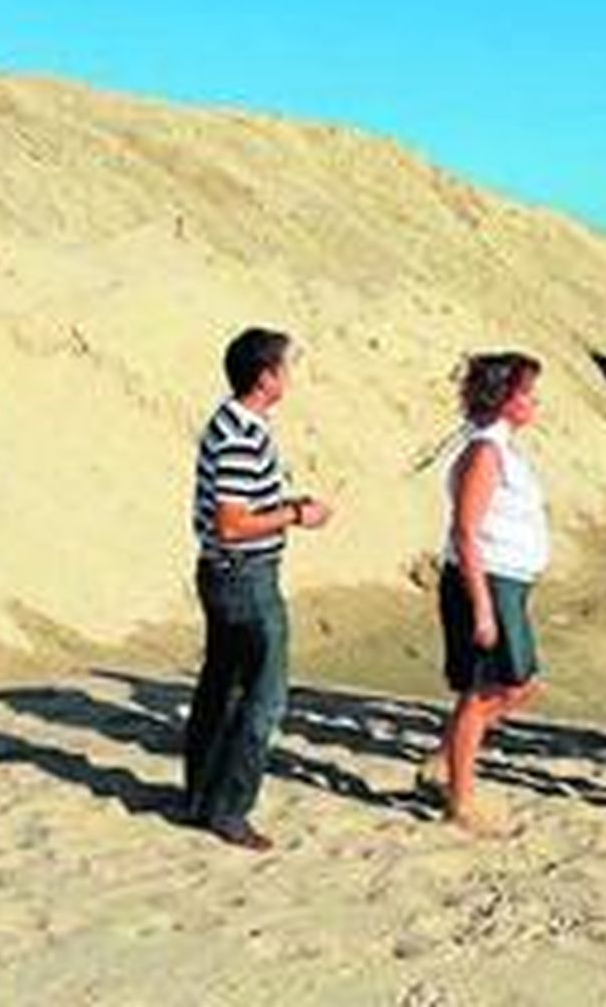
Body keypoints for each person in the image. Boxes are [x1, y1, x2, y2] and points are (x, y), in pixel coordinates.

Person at [184, 327, 332, 850]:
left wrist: (285, 504)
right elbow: (231, 522)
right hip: (243, 576)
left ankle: (201, 798)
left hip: (229, 573)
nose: (291, 375)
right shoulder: (240, 435)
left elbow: (240, 506)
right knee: (264, 697)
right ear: (266, 377)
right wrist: (295, 514)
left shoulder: (236, 423)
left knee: (221, 687)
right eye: (286, 367)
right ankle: (229, 809)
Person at [428, 352, 549, 835]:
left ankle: (445, 757)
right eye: (526, 393)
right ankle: (461, 800)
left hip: (510, 583)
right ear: (504, 398)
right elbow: (465, 532)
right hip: (487, 582)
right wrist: (481, 606)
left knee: (519, 683)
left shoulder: (502, 448)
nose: (534, 402)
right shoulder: (483, 452)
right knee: (486, 691)